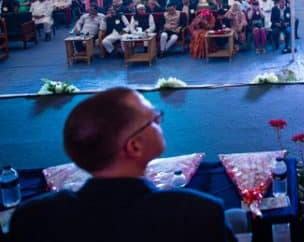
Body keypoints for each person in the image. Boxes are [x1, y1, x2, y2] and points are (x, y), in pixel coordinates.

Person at [8, 87, 237, 242]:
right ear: (134, 146)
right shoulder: (197, 214)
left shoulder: (33, 217)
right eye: (154, 120)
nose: (159, 121)